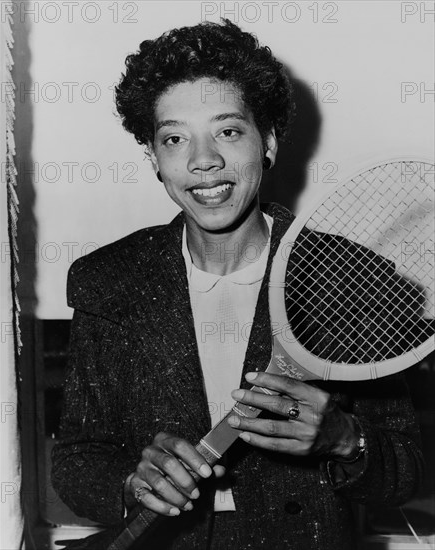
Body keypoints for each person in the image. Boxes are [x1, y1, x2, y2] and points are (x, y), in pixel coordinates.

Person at [51, 19, 424, 550]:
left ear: (268, 141)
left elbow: (405, 472)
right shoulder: (109, 279)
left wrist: (344, 439)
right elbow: (77, 457)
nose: (204, 161)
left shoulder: (342, 275)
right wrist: (133, 483)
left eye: (228, 131)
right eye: (175, 138)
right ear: (154, 159)